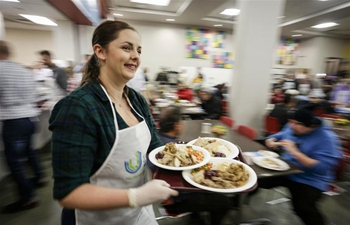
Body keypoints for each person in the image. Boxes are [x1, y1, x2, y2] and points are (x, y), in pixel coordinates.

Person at [49, 21, 178, 225]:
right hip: (97, 219)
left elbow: (156, 150)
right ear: (100, 51)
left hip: (136, 214)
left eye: (139, 50)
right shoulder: (78, 108)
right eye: (127, 48)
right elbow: (69, 192)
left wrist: (189, 163)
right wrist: (134, 196)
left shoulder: (136, 100)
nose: (136, 56)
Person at [264, 107, 341, 225]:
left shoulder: (328, 139)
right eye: (292, 122)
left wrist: (295, 152)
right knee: (256, 179)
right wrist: (271, 140)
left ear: (311, 126)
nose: (292, 126)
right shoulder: (294, 126)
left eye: (297, 124)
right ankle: (235, 203)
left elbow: (322, 168)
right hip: (286, 170)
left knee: (303, 207)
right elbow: (280, 135)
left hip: (309, 179)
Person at [157, 106, 230, 225]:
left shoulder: (159, 140)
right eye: (182, 122)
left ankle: (196, 216)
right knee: (224, 202)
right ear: (177, 126)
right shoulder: (170, 149)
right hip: (178, 199)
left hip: (172, 193)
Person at [0, 40, 44, 213]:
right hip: (30, 119)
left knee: (14, 162)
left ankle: (27, 197)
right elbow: (35, 93)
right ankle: (39, 178)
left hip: (13, 121)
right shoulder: (24, 70)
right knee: (29, 151)